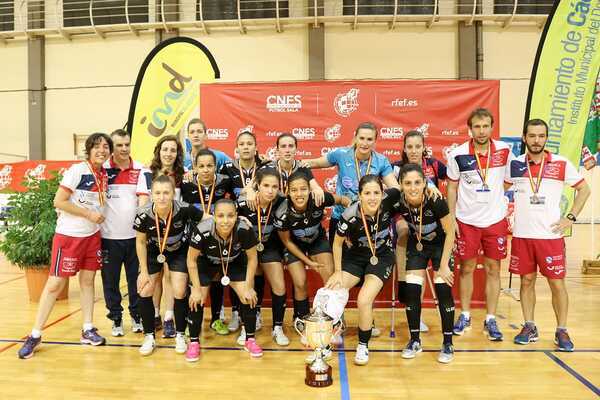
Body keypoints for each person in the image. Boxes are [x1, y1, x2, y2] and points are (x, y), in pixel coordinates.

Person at [18, 133, 113, 359]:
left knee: (88, 281)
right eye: (97, 146)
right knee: (55, 285)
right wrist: (88, 214)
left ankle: (88, 329)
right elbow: (59, 201)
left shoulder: (103, 174)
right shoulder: (77, 170)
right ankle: (35, 334)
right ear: (88, 150)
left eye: (105, 147)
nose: (102, 150)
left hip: (92, 236)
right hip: (69, 236)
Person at [303, 122, 400, 337]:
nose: (365, 143)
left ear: (375, 141)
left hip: (370, 222)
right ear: (355, 137)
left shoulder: (381, 161)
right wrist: (308, 178)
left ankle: (368, 320)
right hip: (343, 220)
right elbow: (312, 163)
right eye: (361, 138)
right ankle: (338, 320)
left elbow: (395, 187)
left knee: (368, 276)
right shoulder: (341, 154)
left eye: (369, 139)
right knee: (339, 275)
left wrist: (374, 200)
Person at [508, 119, 590, 352]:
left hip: (550, 236)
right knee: (526, 281)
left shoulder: (561, 163)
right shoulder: (515, 165)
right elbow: (498, 189)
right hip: (523, 236)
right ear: (524, 138)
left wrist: (570, 217)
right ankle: (529, 326)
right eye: (532, 136)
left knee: (557, 283)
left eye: (541, 136)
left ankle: (562, 329)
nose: (536, 140)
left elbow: (584, 189)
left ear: (546, 138)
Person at [446, 108, 513, 340]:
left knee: (494, 269)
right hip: (467, 221)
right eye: (477, 126)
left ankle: (491, 318)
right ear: (470, 129)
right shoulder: (457, 154)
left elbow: (508, 180)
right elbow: (452, 187)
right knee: (467, 269)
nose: (481, 131)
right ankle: (464, 315)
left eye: (485, 126)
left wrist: (494, 197)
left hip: (495, 221)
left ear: (492, 127)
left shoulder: (504, 150)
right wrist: (452, 217)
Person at [326, 175, 401, 365]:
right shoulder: (349, 215)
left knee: (364, 300)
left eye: (376, 193)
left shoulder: (390, 199)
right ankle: (324, 343)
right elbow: (337, 244)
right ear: (359, 195)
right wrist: (337, 271)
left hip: (381, 257)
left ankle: (362, 345)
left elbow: (409, 190)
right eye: (367, 193)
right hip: (356, 257)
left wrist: (430, 187)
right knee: (332, 290)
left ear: (383, 193)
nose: (372, 198)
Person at [134, 175, 204, 357]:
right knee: (145, 289)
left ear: (173, 194)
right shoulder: (143, 213)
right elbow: (140, 242)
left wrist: (239, 220)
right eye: (157, 193)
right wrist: (143, 271)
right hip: (153, 251)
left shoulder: (184, 208)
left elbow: (208, 218)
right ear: (151, 194)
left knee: (179, 290)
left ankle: (180, 334)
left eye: (166, 193)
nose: (162, 197)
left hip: (178, 252)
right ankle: (149, 336)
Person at [394, 164, 456, 363]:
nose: (413, 188)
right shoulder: (397, 200)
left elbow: (451, 233)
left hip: (440, 246)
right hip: (417, 245)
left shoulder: (436, 200)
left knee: (443, 289)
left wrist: (444, 265)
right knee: (412, 290)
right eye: (408, 183)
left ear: (424, 183)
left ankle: (448, 343)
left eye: (417, 182)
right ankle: (414, 341)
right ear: (401, 185)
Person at [186, 199, 262, 360]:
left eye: (230, 216)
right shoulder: (202, 230)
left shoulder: (244, 229)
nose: (225, 221)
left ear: (236, 216)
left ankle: (250, 339)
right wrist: (196, 290)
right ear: (213, 216)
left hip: (233, 262)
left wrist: (249, 286)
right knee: (197, 298)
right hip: (206, 262)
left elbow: (253, 258)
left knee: (248, 296)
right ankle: (193, 342)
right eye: (220, 216)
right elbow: (191, 260)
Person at [274, 171, 350, 325]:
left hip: (317, 240)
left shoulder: (319, 199)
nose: (299, 194)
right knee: (300, 282)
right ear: (288, 192)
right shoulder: (282, 213)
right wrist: (308, 261)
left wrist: (352, 217)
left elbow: (343, 200)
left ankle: (334, 319)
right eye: (294, 190)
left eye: (303, 189)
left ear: (310, 190)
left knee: (331, 279)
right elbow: (287, 242)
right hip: (294, 245)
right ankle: (301, 318)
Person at [392, 130, 447, 333]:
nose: (414, 150)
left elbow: (454, 181)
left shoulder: (434, 165)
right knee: (404, 231)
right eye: (410, 147)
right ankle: (404, 284)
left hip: (430, 221)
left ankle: (422, 314)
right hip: (404, 216)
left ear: (424, 147)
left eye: (418, 146)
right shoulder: (395, 168)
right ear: (404, 148)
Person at [101, 129, 150, 337]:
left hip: (134, 239)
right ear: (112, 147)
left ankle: (137, 316)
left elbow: (144, 200)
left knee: (134, 280)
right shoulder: (102, 170)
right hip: (107, 239)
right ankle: (116, 318)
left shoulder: (140, 169)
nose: (123, 149)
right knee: (110, 282)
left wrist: (141, 226)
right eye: (119, 145)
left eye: (126, 144)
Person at [181, 148, 234, 336]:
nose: (205, 170)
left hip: (218, 239)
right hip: (194, 241)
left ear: (215, 167)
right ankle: (192, 320)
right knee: (194, 282)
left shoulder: (225, 182)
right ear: (194, 167)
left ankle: (216, 319)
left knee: (218, 278)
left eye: (210, 166)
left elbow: (237, 199)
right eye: (201, 166)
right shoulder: (186, 183)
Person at [221, 131, 269, 332]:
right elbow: (219, 193)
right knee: (236, 270)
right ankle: (236, 313)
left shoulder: (266, 166)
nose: (246, 147)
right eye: (242, 144)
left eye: (250, 143)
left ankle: (255, 312)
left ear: (256, 147)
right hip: (237, 227)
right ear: (237, 148)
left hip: (262, 227)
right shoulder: (228, 168)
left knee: (257, 271)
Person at [237, 168, 290, 346]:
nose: (270, 190)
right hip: (248, 249)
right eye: (266, 185)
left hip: (269, 247)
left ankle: (277, 327)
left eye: (274, 186)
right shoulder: (244, 202)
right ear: (257, 185)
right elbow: (226, 217)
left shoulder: (282, 201)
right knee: (248, 286)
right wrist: (238, 220)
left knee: (279, 286)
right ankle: (247, 327)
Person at [148, 135, 185, 337]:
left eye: (173, 150)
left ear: (177, 154)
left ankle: (169, 317)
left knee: (170, 275)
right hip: (153, 234)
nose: (169, 153)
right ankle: (155, 315)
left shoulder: (183, 176)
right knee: (155, 278)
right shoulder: (147, 173)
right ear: (158, 151)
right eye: (165, 149)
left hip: (174, 235)